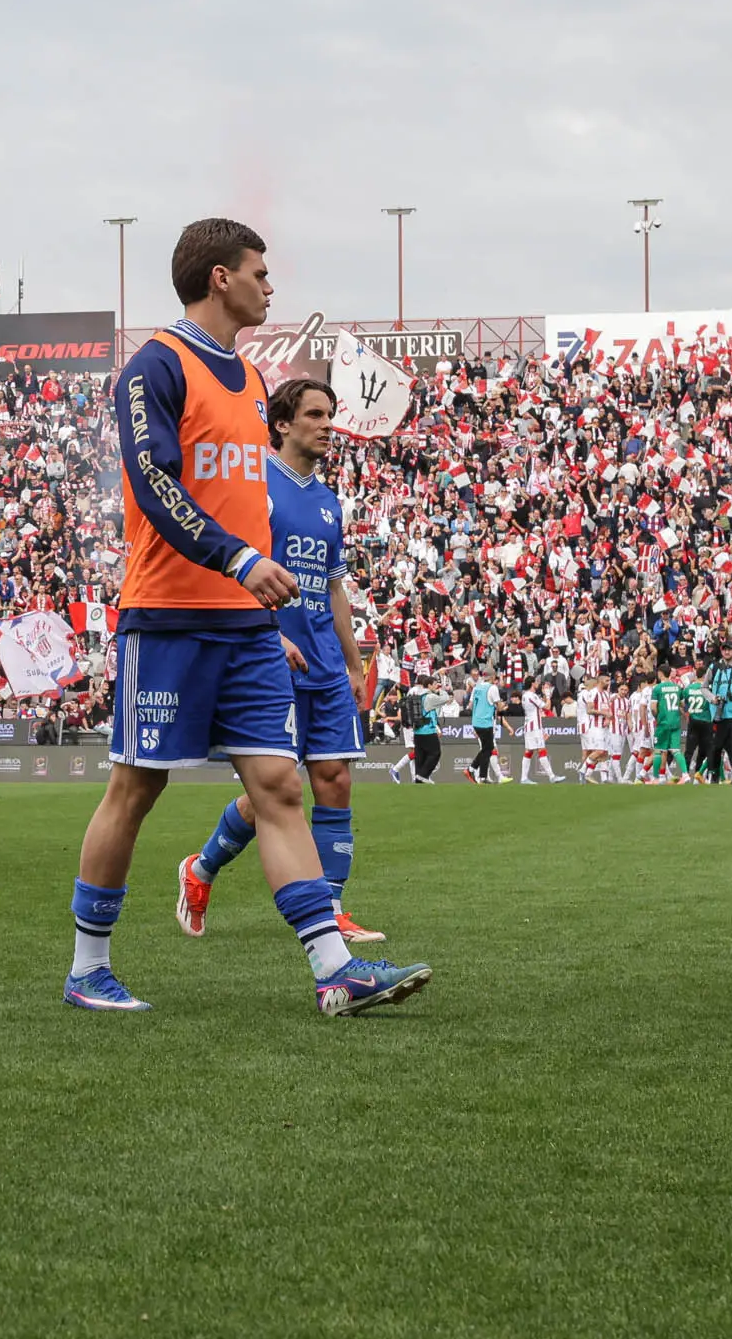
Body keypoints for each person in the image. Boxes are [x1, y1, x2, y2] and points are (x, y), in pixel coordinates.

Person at [61, 217, 429, 1015]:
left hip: (245, 627)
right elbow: (155, 487)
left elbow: (247, 504)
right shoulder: (152, 366)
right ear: (220, 277)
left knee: (279, 785)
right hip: (167, 617)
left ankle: (335, 968)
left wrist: (264, 617)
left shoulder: (252, 382)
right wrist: (234, 560)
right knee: (135, 787)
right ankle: (88, 966)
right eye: (260, 271)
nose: (271, 284)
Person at [175, 377, 386, 942]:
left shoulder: (328, 502)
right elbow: (231, 563)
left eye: (331, 415)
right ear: (284, 424)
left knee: (335, 778)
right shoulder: (256, 484)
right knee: (273, 789)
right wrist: (269, 631)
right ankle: (200, 869)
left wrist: (354, 659)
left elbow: (333, 588)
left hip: (324, 662)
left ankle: (333, 909)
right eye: (315, 414)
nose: (327, 425)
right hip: (270, 657)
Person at [464, 666, 502, 782]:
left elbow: (470, 705)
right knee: (488, 748)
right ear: (492, 676)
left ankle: (481, 775)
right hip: (486, 722)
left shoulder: (476, 687)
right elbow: (498, 706)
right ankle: (473, 770)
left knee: (487, 748)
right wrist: (503, 706)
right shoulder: (493, 688)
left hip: (476, 721)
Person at [518, 675, 557, 784]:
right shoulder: (532, 695)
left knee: (529, 751)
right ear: (532, 683)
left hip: (530, 726)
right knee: (541, 749)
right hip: (535, 727)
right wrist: (548, 695)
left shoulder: (525, 695)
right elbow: (547, 707)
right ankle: (552, 776)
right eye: (536, 682)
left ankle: (524, 778)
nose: (538, 684)